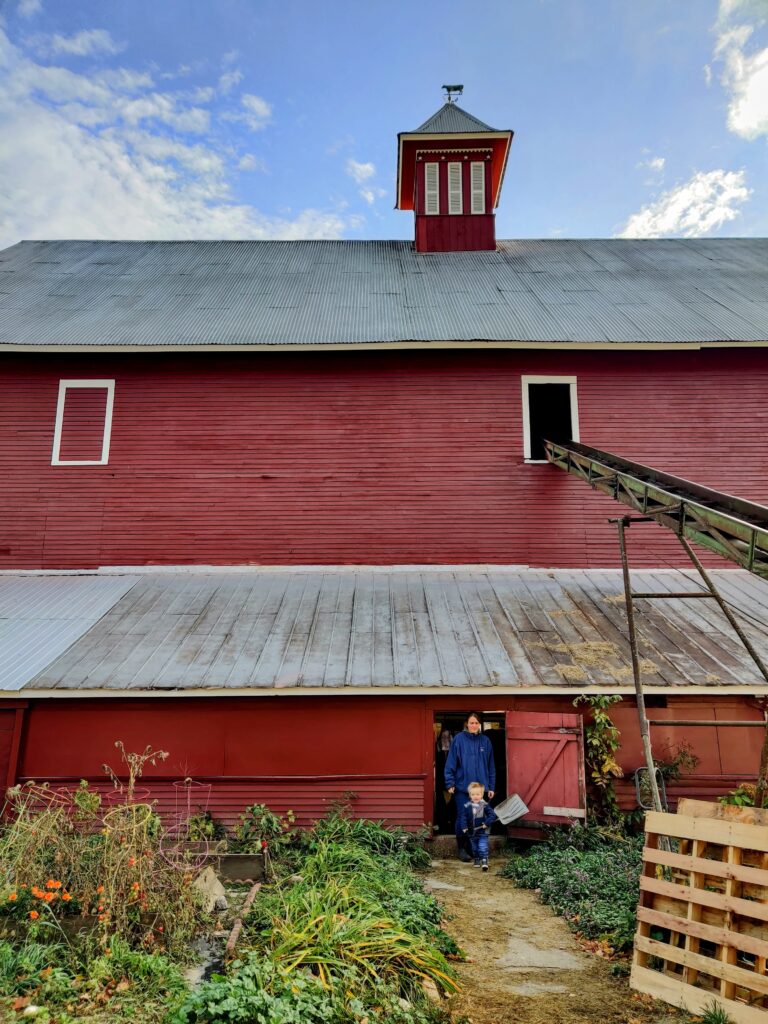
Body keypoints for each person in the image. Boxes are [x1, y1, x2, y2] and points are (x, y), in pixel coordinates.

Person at [444, 712, 495, 862]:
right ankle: (461, 849)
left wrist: (491, 786)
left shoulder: (485, 741)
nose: (474, 725)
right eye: (471, 723)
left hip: (479, 789)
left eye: (476, 723)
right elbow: (451, 762)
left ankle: (470, 847)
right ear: (467, 724)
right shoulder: (459, 739)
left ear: (479, 724)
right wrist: (450, 782)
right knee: (462, 817)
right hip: (462, 787)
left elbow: (491, 766)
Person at [457, 781, 498, 870]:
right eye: (473, 794)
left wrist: (486, 823)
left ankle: (484, 861)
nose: (475, 796)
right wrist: (464, 827)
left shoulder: (485, 805)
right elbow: (463, 817)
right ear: (470, 795)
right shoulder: (467, 806)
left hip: (483, 831)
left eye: (478, 794)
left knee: (482, 847)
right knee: (474, 848)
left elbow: (493, 815)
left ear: (482, 794)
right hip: (472, 831)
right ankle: (477, 859)